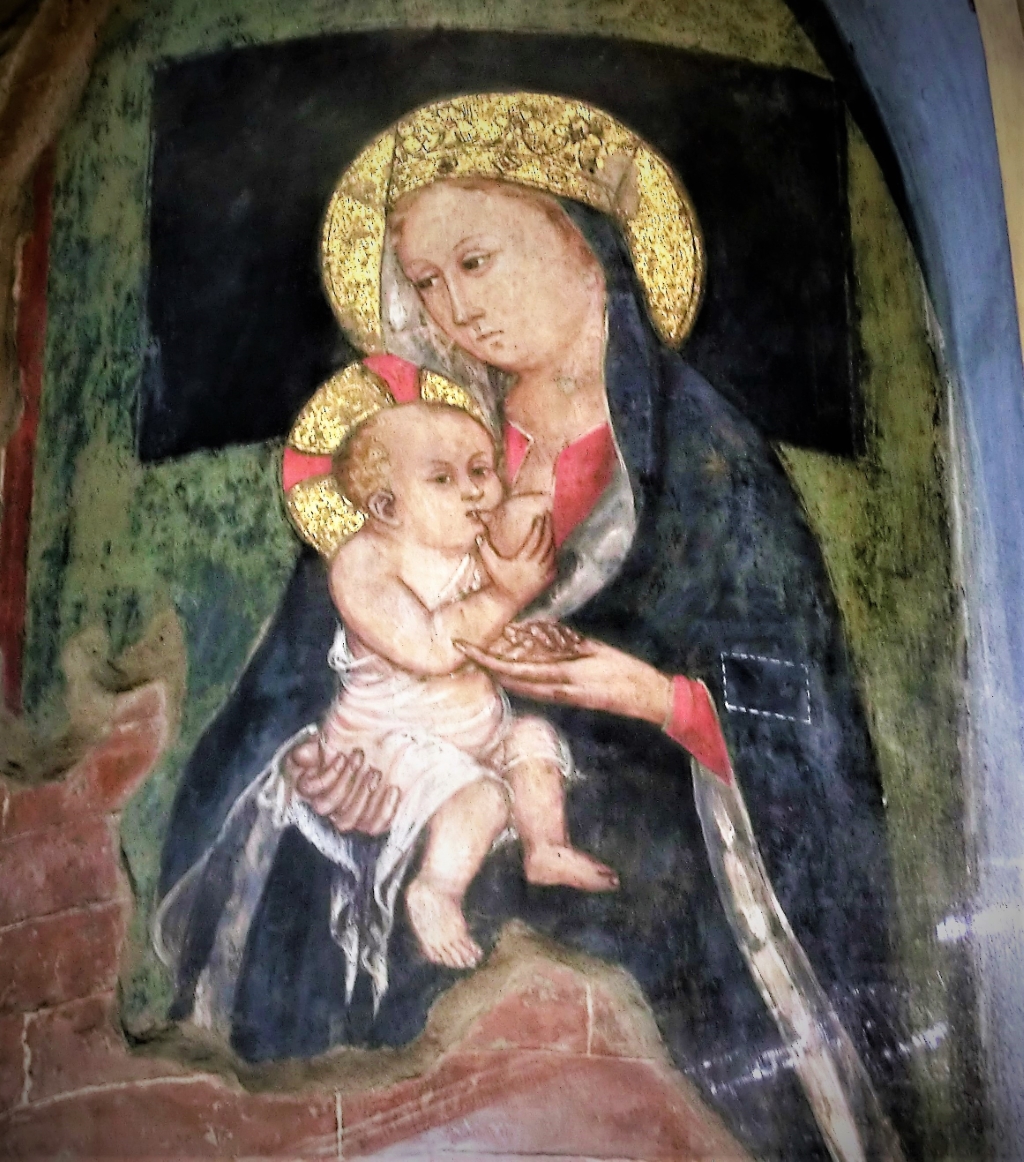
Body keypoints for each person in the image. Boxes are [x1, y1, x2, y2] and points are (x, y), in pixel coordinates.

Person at [156, 95, 910, 1159]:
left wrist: (650, 695)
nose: (455, 309)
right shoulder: (413, 452)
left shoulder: (707, 465)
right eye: (426, 282)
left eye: (475, 262)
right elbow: (301, 675)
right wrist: (320, 768)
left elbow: (806, 722)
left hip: (649, 865)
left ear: (582, 247)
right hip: (411, 817)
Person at [305, 397, 619, 978]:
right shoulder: (364, 564)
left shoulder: (471, 547)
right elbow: (431, 649)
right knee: (483, 796)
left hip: (475, 730)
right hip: (390, 746)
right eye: (444, 478)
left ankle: (545, 846)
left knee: (532, 737)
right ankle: (436, 890)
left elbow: (517, 557)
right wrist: (506, 596)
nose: (475, 490)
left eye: (481, 470)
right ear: (386, 506)